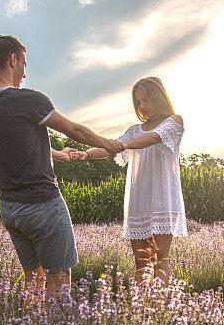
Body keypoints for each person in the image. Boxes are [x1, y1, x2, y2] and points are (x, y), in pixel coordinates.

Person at [0, 35, 123, 294]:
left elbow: (17, 142)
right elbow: (74, 130)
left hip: (10, 208)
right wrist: (107, 144)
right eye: (23, 63)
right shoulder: (28, 99)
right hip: (42, 203)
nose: (24, 71)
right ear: (13, 59)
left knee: (34, 276)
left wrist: (59, 155)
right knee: (60, 276)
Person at [75, 77, 186, 286]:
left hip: (163, 198)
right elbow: (111, 147)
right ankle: (140, 309)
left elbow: (153, 138)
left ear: (159, 98)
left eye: (146, 100)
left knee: (161, 260)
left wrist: (123, 145)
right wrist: (85, 154)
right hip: (139, 200)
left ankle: (162, 307)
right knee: (141, 263)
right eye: (138, 102)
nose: (143, 106)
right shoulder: (135, 130)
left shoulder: (174, 122)